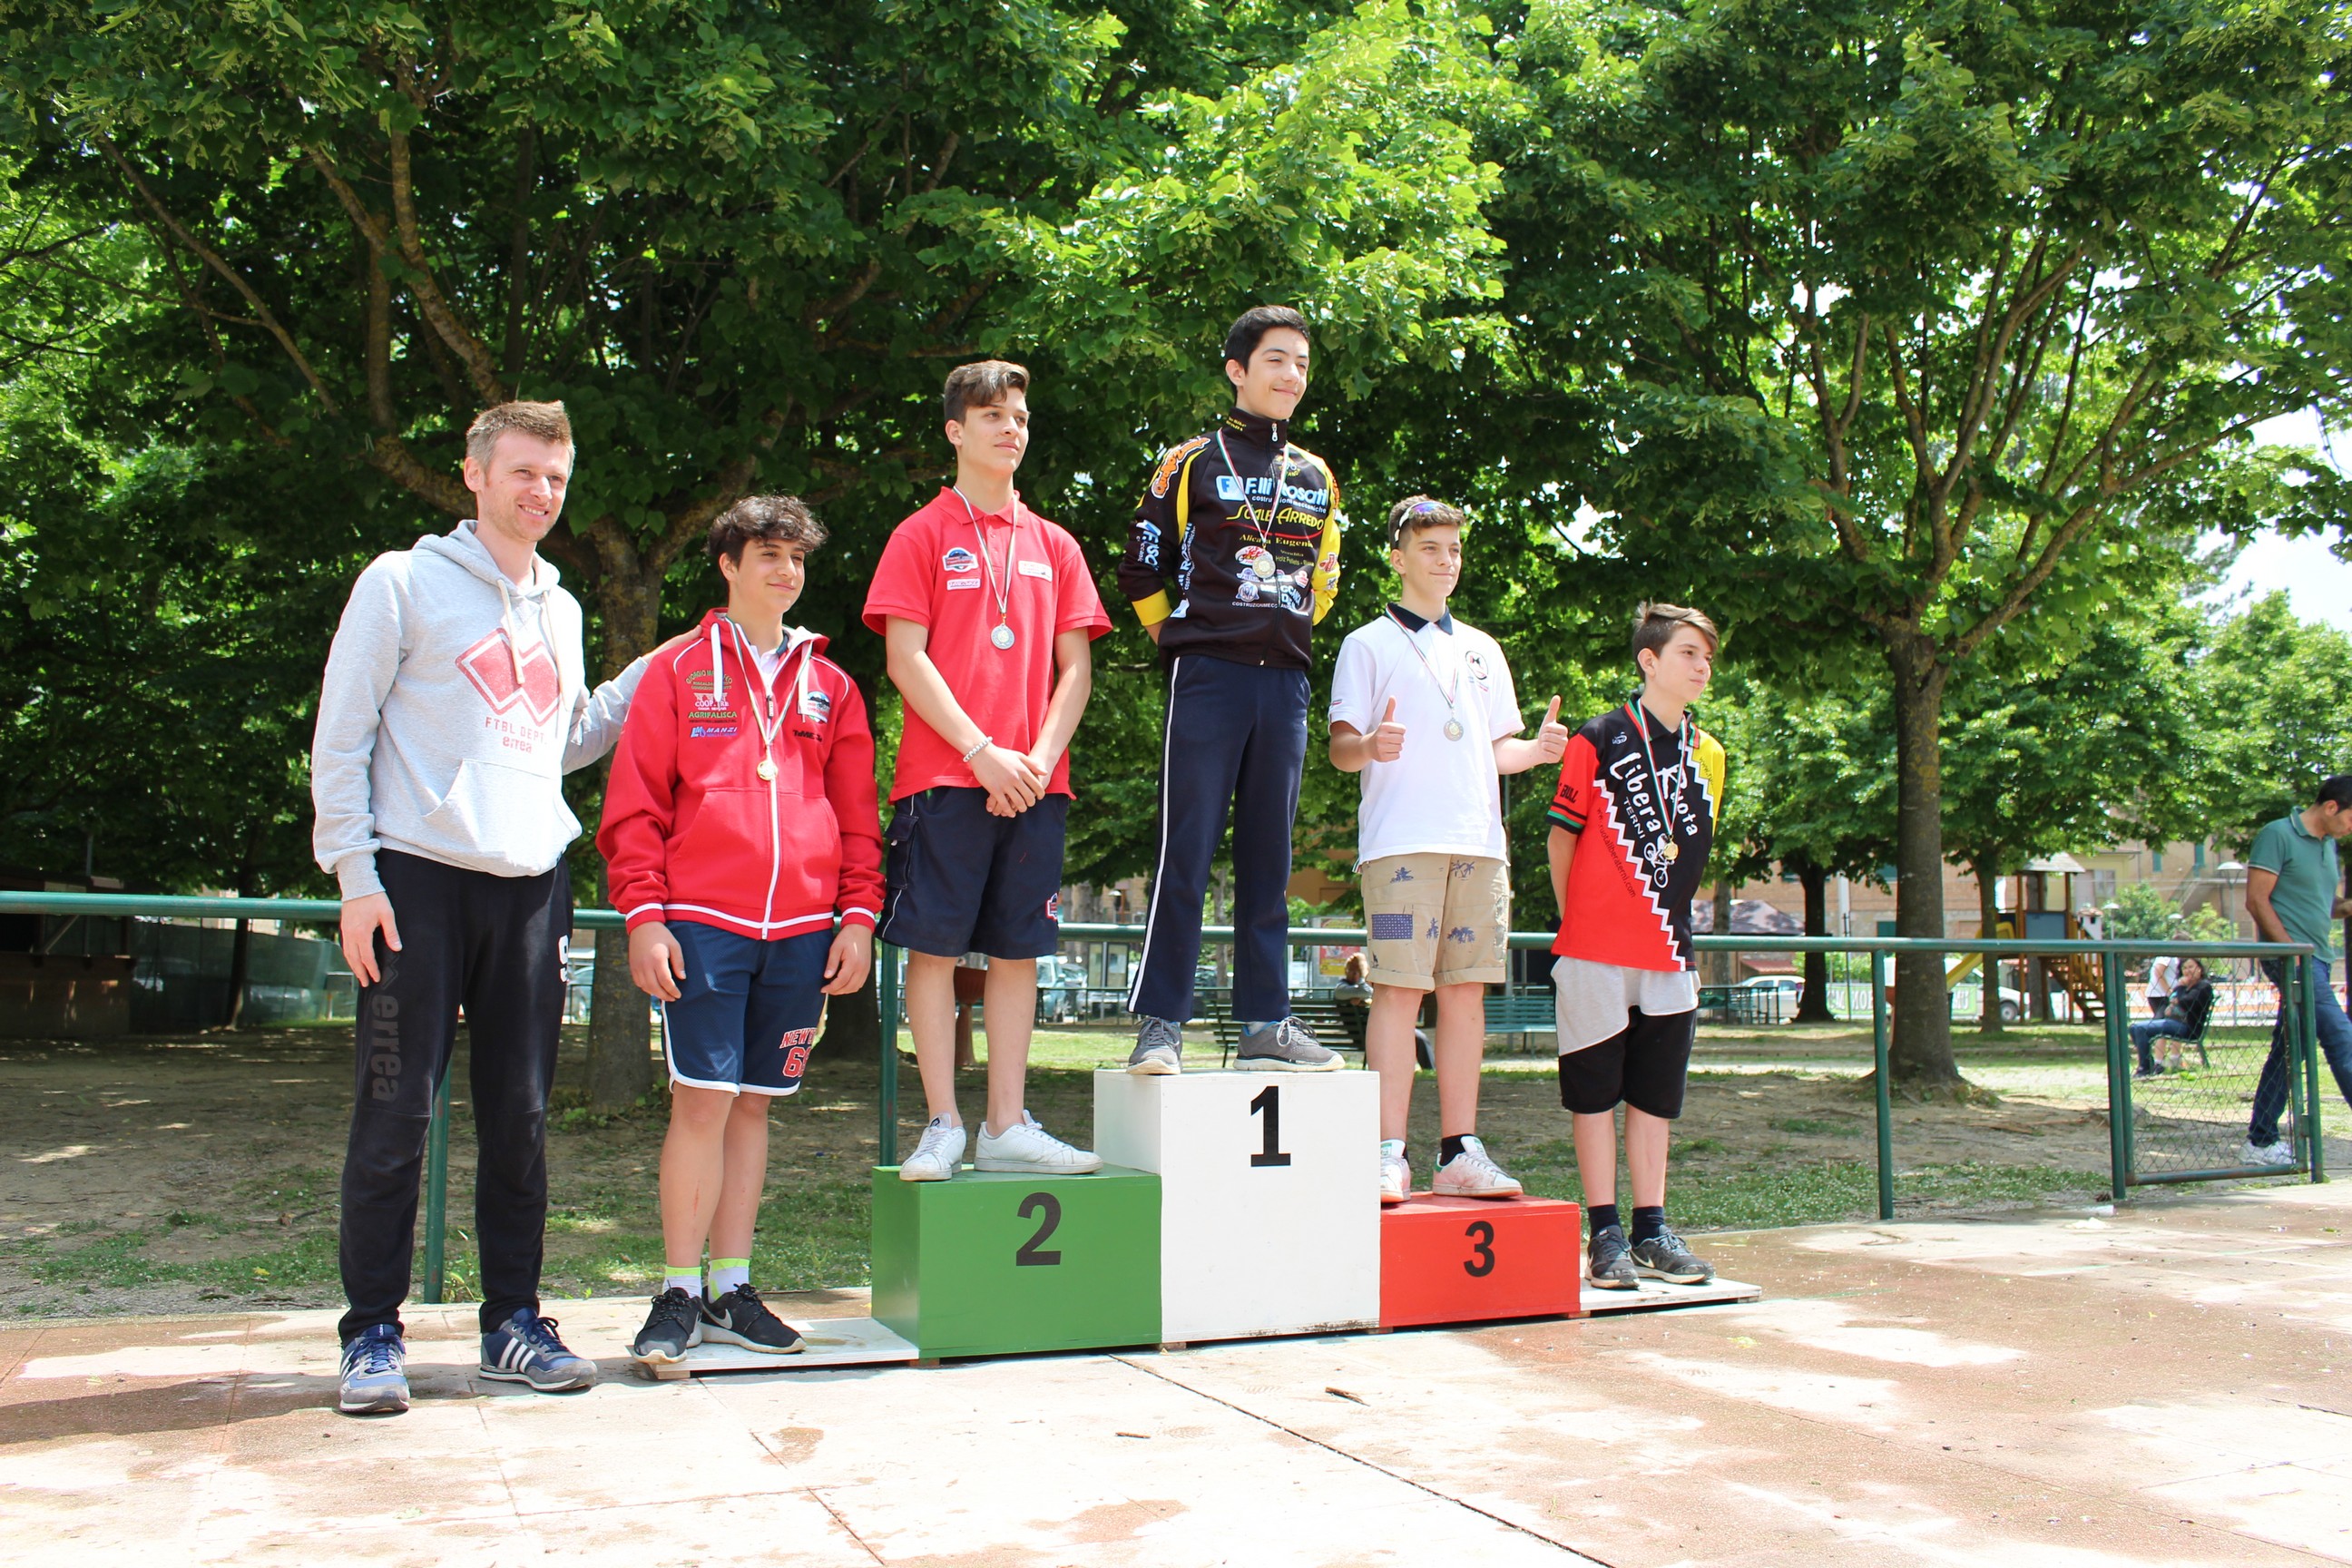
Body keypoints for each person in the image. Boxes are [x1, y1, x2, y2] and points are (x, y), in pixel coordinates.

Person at [312, 400, 648, 1416]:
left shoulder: (563, 609)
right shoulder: (402, 582)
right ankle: (372, 1334)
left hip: (531, 885)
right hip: (415, 880)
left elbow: (563, 740)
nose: (542, 492)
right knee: (394, 1115)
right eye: (524, 472)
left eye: (557, 477)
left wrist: (653, 673)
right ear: (475, 474)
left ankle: (513, 1322)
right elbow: (341, 736)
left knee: (522, 1119)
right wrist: (356, 878)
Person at [600, 495, 883, 1364]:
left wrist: (858, 917)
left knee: (754, 1104)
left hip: (802, 928)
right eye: (768, 555)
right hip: (703, 923)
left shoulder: (833, 685)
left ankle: (731, 1287)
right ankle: (678, 1291)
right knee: (702, 1101)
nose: (785, 572)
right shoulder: (675, 670)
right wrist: (644, 916)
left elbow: (857, 817)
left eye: (796, 558)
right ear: (728, 565)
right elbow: (635, 806)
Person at [865, 360, 1110, 1180]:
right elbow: (905, 658)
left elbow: (1075, 668)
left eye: (1021, 417)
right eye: (993, 415)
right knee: (933, 951)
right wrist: (981, 753)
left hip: (1036, 783)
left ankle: (1006, 1124)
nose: (1012, 428)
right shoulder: (920, 534)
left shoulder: (1055, 543)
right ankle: (942, 1122)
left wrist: (1035, 760)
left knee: (1017, 952)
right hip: (946, 777)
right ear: (955, 431)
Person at [1117, 306, 1346, 1073]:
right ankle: (1161, 1024)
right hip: (1207, 677)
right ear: (1237, 370)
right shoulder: (1189, 460)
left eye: (1302, 364)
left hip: (1285, 683)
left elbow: (1323, 581)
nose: (1292, 375)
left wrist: (1279, 628)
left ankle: (1265, 1024)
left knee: (1269, 861)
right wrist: (1182, 639)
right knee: (1185, 849)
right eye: (1276, 359)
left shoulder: (1316, 475)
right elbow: (1141, 562)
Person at [1328, 496, 1570, 1203]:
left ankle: (1459, 1150)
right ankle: (1387, 1151)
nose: (1445, 561)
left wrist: (1536, 751)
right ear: (1398, 558)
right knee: (1399, 991)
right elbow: (1342, 749)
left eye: (1454, 550)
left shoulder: (1483, 648)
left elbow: (1496, 751)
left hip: (1479, 847)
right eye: (1430, 548)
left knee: (1466, 993)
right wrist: (1370, 746)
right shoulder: (1366, 644)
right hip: (1401, 846)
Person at [1545, 603, 1725, 1289]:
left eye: (1707, 657)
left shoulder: (1711, 755)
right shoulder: (1597, 737)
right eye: (1688, 653)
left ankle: (1652, 1229)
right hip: (1594, 949)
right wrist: (1577, 923)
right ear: (1649, 660)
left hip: (1671, 951)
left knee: (1656, 1096)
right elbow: (1561, 838)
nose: (1702, 666)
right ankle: (1606, 1232)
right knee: (1593, 1093)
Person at [2239, 776, 2352, 1168]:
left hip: (2317, 957)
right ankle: (2260, 1140)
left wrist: (2347, 907)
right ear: (2332, 807)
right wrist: (2292, 953)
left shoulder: (2327, 844)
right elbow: (2256, 901)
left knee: (2290, 1049)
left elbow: (2324, 903)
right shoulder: (2277, 835)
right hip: (2291, 957)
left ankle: (2260, 1141)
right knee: (2341, 1037)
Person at [2132, 956, 2213, 1076]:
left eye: (2191, 967)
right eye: (2184, 968)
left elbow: (2188, 1002)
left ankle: (2145, 1069)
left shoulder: (2203, 986)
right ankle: (2149, 1064)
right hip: (2173, 1022)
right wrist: (2178, 993)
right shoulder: (2184, 987)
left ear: (2199, 969)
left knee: (2141, 1028)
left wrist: (2179, 993)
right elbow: (2172, 1000)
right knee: (2134, 1028)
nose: (2188, 971)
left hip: (2188, 1027)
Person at [2144, 950, 2180, 1024]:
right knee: (2160, 1021)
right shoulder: (2168, 955)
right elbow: (2158, 971)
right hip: (2161, 994)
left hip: (2164, 994)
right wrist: (2169, 992)